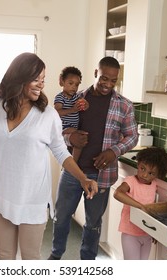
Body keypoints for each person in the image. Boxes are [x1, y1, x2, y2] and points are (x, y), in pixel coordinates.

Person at [0, 52, 98, 260]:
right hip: (2, 196)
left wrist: (83, 178)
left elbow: (61, 151)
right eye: (36, 79)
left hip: (33, 199)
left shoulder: (48, 116)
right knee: (5, 256)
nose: (41, 85)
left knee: (30, 259)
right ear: (19, 78)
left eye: (43, 80)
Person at [48, 56, 138, 260]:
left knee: (93, 222)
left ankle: (87, 262)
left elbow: (132, 136)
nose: (108, 84)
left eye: (113, 80)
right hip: (73, 170)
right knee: (61, 217)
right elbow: (56, 131)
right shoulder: (76, 99)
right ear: (96, 73)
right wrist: (71, 137)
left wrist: (113, 151)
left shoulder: (124, 106)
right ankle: (55, 256)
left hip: (102, 175)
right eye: (104, 78)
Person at [113, 147, 167, 260]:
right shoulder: (131, 181)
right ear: (138, 164)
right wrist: (140, 206)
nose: (145, 175)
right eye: (142, 169)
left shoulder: (154, 184)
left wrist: (155, 232)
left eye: (151, 173)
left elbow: (155, 210)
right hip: (130, 234)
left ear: (157, 174)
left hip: (147, 234)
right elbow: (117, 193)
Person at [54, 66, 88, 161]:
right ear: (62, 81)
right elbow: (57, 112)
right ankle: (73, 162)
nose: (74, 87)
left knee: (80, 140)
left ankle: (73, 161)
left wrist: (85, 104)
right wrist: (73, 110)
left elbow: (85, 105)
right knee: (79, 140)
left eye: (77, 85)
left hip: (73, 127)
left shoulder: (76, 97)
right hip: (64, 127)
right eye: (70, 83)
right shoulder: (60, 97)